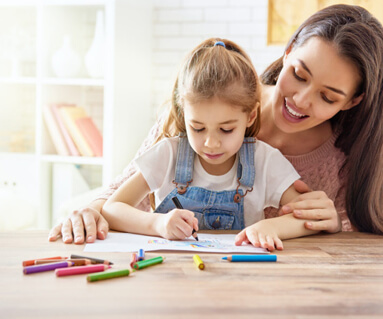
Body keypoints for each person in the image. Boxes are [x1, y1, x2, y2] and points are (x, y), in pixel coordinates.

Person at [49, 4, 383, 245]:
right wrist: (93, 211)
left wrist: (332, 223)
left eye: (328, 97)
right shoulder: (209, 102)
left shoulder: (345, 157)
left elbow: (346, 241)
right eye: (298, 74)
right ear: (288, 50)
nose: (301, 100)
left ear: (352, 101)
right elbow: (121, 195)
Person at [100, 38, 319, 251]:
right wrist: (157, 223)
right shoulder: (169, 154)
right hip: (171, 276)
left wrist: (271, 226)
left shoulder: (264, 160)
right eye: (197, 128)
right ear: (184, 114)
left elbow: (308, 217)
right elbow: (112, 208)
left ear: (251, 116)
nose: (211, 143)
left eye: (226, 129)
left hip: (240, 276)